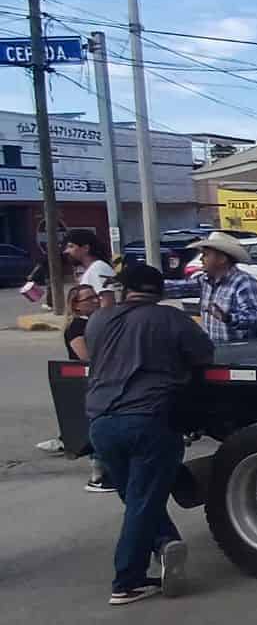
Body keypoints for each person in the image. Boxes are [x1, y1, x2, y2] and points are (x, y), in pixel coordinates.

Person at [85, 261, 213, 605]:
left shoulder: (98, 320)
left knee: (137, 497)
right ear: (159, 292)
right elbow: (204, 355)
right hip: (148, 420)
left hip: (100, 423)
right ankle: (126, 581)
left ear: (126, 290)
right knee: (142, 502)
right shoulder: (171, 320)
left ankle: (166, 543)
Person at [62, 284, 114, 493]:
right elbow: (86, 357)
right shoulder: (76, 328)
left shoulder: (98, 322)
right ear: (76, 306)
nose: (95, 301)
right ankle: (99, 474)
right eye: (88, 299)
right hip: (89, 382)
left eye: (95, 297)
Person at [195, 231, 257, 345]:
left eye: (206, 254)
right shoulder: (205, 280)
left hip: (241, 352)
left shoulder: (244, 283)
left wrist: (228, 318)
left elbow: (255, 317)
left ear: (222, 259)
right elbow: (177, 287)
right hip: (216, 348)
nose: (201, 259)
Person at [63, 228, 117, 309]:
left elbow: (108, 303)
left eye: (71, 246)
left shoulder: (99, 268)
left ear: (86, 248)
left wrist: (97, 321)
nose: (66, 251)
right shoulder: (92, 269)